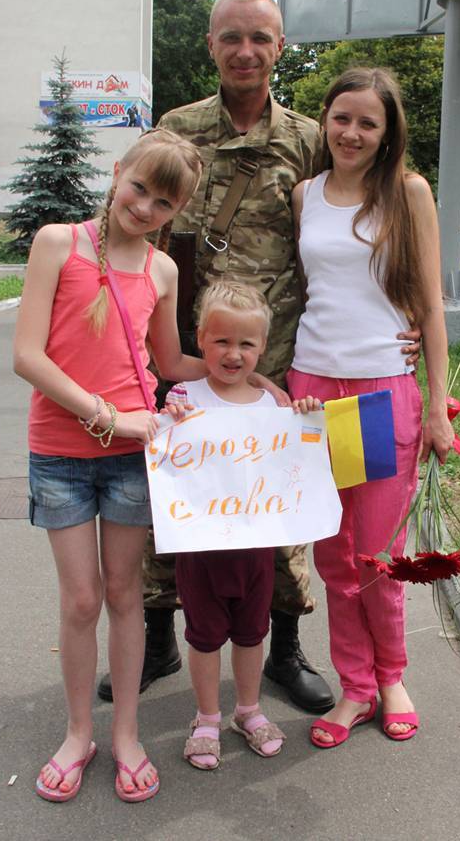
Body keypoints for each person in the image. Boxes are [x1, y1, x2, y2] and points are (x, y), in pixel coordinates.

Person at [97, 0, 421, 713]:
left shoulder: (310, 137)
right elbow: (135, 224)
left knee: (282, 507)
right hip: (184, 355)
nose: (245, 51)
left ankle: (285, 650)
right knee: (176, 497)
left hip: (280, 361)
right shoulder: (178, 128)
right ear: (211, 44)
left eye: (259, 38)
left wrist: (403, 315)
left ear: (278, 47)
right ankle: (159, 640)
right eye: (231, 37)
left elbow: (366, 225)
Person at [13, 128, 211, 802]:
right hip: (61, 452)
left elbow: (170, 361)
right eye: (139, 188)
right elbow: (28, 356)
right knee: (81, 599)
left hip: (131, 458)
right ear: (119, 171)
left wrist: (248, 376)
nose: (145, 207)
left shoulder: (162, 269)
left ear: (177, 210)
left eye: (164, 203)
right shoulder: (57, 243)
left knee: (126, 595)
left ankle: (126, 732)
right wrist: (108, 415)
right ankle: (79, 733)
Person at [287, 67, 454, 748]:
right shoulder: (304, 195)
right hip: (313, 392)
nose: (351, 132)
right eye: (341, 118)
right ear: (324, 120)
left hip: (380, 393)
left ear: (387, 134)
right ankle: (355, 685)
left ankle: (392, 678)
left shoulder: (407, 192)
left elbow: (431, 305)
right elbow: (314, 291)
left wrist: (436, 405)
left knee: (377, 553)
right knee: (332, 553)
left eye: (367, 122)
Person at [163, 281, 321, 769]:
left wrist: (305, 419)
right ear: (200, 339)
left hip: (256, 547)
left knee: (253, 633)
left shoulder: (273, 406)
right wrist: (170, 418)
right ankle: (207, 718)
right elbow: (167, 453)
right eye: (221, 341)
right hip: (201, 549)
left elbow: (297, 460)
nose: (233, 354)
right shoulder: (185, 396)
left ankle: (248, 711)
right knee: (204, 636)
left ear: (263, 346)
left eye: (246, 343)